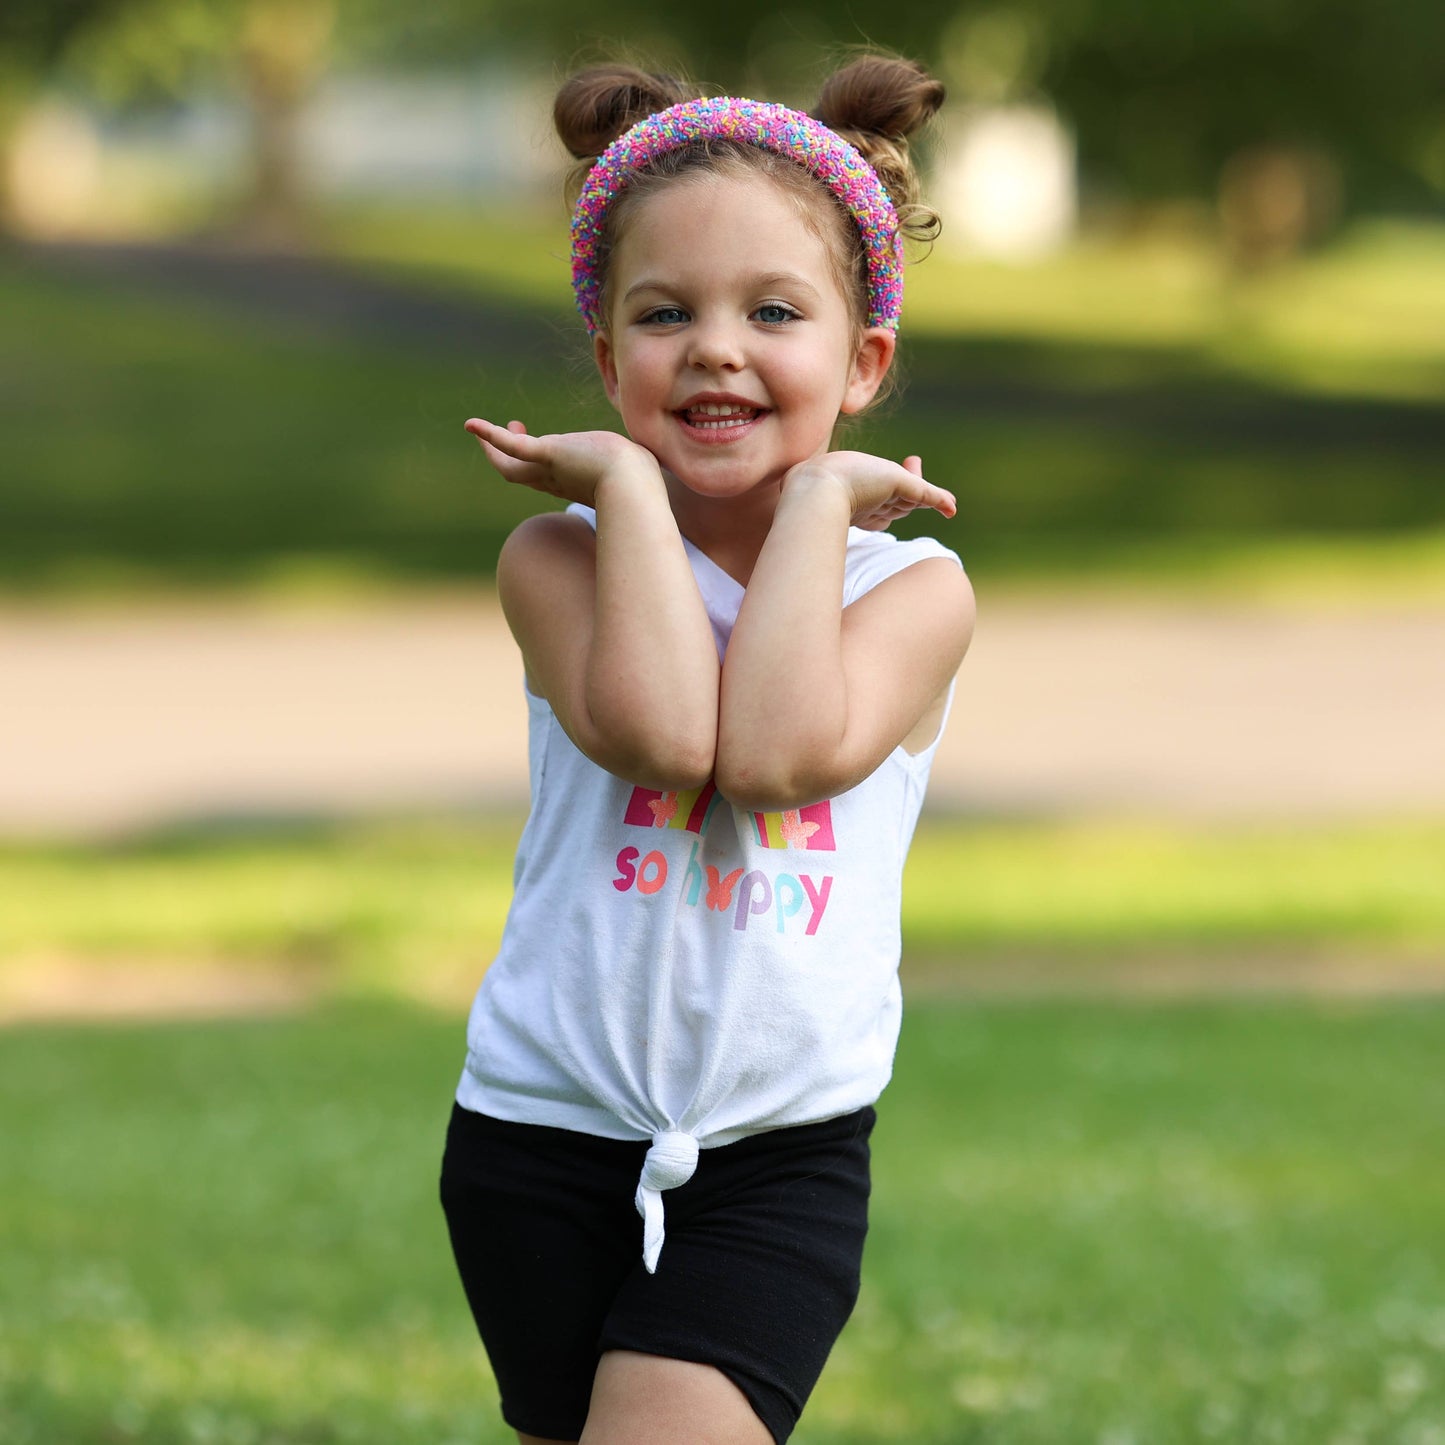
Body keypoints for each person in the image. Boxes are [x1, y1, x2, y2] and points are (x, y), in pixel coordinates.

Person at [440, 51, 976, 1445]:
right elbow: (670, 737)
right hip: (537, 1136)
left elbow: (777, 755)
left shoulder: (912, 594)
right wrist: (622, 485)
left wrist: (817, 511)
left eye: (773, 311)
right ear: (610, 360)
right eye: (665, 313)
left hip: (774, 1155)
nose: (717, 347)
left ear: (863, 365)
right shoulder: (555, 560)